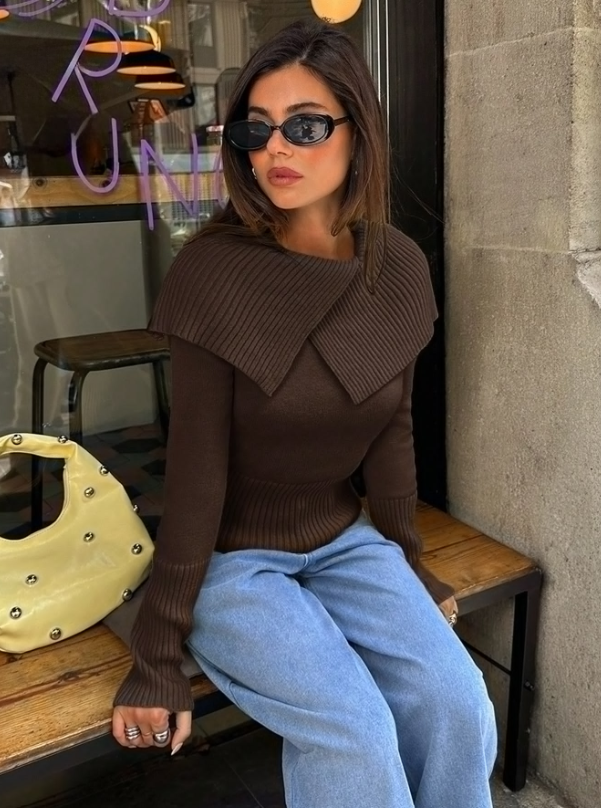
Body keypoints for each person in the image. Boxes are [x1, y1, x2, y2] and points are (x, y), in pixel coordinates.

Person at [112, 18, 497, 808]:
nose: (274, 149)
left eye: (305, 126)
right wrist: (157, 655)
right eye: (255, 129)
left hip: (343, 541)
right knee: (354, 730)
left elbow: (391, 432)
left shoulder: (396, 266)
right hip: (230, 562)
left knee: (458, 702)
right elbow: (194, 473)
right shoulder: (212, 272)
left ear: (359, 134)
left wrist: (406, 561)